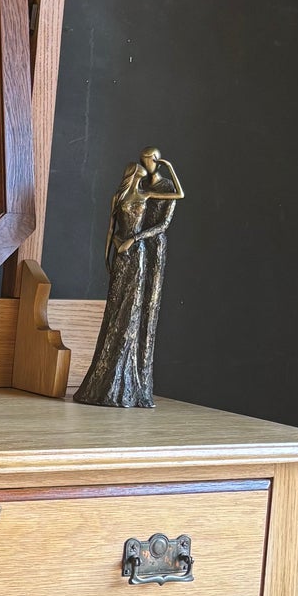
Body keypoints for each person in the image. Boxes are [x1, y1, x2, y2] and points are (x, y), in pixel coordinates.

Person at [74, 148, 184, 408]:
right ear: (134, 173)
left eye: (151, 162)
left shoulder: (147, 193)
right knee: (116, 308)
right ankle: (104, 383)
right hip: (122, 251)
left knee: (132, 308)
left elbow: (178, 194)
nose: (146, 167)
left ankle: (125, 383)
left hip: (138, 252)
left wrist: (169, 167)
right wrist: (108, 255)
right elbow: (110, 228)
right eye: (143, 165)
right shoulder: (120, 195)